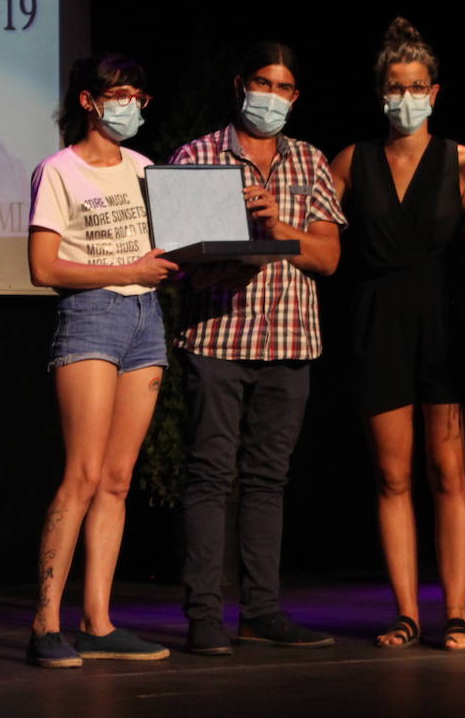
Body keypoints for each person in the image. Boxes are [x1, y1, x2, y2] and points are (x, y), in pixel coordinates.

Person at [171, 41, 348, 655]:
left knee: (269, 479)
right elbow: (179, 257)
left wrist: (278, 229)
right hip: (219, 335)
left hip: (290, 339)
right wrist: (221, 255)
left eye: (284, 88)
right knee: (210, 473)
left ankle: (262, 611)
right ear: (241, 83)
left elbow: (327, 257)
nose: (271, 97)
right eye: (263, 84)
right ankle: (203, 613)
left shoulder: (310, 162)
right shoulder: (196, 157)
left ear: (295, 97)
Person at [328, 17, 465, 650]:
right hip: (378, 325)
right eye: (394, 86)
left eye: (416, 85)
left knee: (450, 471)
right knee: (394, 477)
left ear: (435, 91)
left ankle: (457, 611)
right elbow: (318, 236)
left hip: (446, 323)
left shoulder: (464, 160)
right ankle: (405, 612)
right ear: (379, 92)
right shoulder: (350, 161)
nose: (405, 97)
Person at [25, 53, 177, 667]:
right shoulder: (57, 170)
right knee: (83, 475)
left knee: (117, 479)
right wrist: (127, 270)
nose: (132, 107)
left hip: (146, 319)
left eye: (139, 96)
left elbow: (164, 244)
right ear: (89, 100)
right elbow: (43, 268)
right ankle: (44, 623)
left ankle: (99, 621)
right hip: (91, 314)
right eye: (120, 95)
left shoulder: (144, 167)